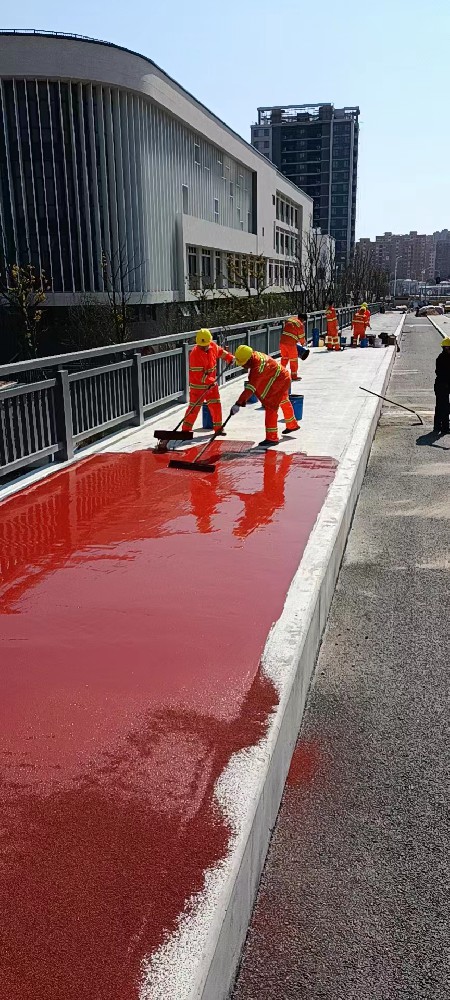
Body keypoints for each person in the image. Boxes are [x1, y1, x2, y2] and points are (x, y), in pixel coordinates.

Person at [231, 345, 300, 447]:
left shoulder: (257, 367)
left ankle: (272, 438)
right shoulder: (254, 355)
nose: (242, 366)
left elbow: (251, 388)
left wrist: (238, 403)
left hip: (280, 380)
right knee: (283, 400)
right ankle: (292, 424)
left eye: (243, 363)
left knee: (271, 406)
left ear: (248, 360)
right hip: (282, 376)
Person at [182, 329, 234, 435]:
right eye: (201, 346)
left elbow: (220, 352)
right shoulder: (194, 354)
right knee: (193, 409)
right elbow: (198, 376)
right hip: (198, 387)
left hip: (211, 385)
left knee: (216, 405)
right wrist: (210, 381)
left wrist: (229, 358)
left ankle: (218, 428)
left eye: (205, 345)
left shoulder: (212, 346)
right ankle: (185, 430)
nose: (204, 347)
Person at [279, 312, 308, 380]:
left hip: (282, 342)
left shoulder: (290, 319)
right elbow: (301, 337)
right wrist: (303, 343)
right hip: (290, 344)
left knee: (284, 358)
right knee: (293, 359)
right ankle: (294, 376)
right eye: (304, 321)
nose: (303, 322)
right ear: (302, 319)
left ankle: (280, 374)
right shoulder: (299, 324)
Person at [433, 337, 450, 435]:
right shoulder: (443, 358)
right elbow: (442, 373)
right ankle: (445, 428)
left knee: (440, 406)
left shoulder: (443, 357)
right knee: (444, 407)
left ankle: (437, 426)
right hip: (442, 385)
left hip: (443, 385)